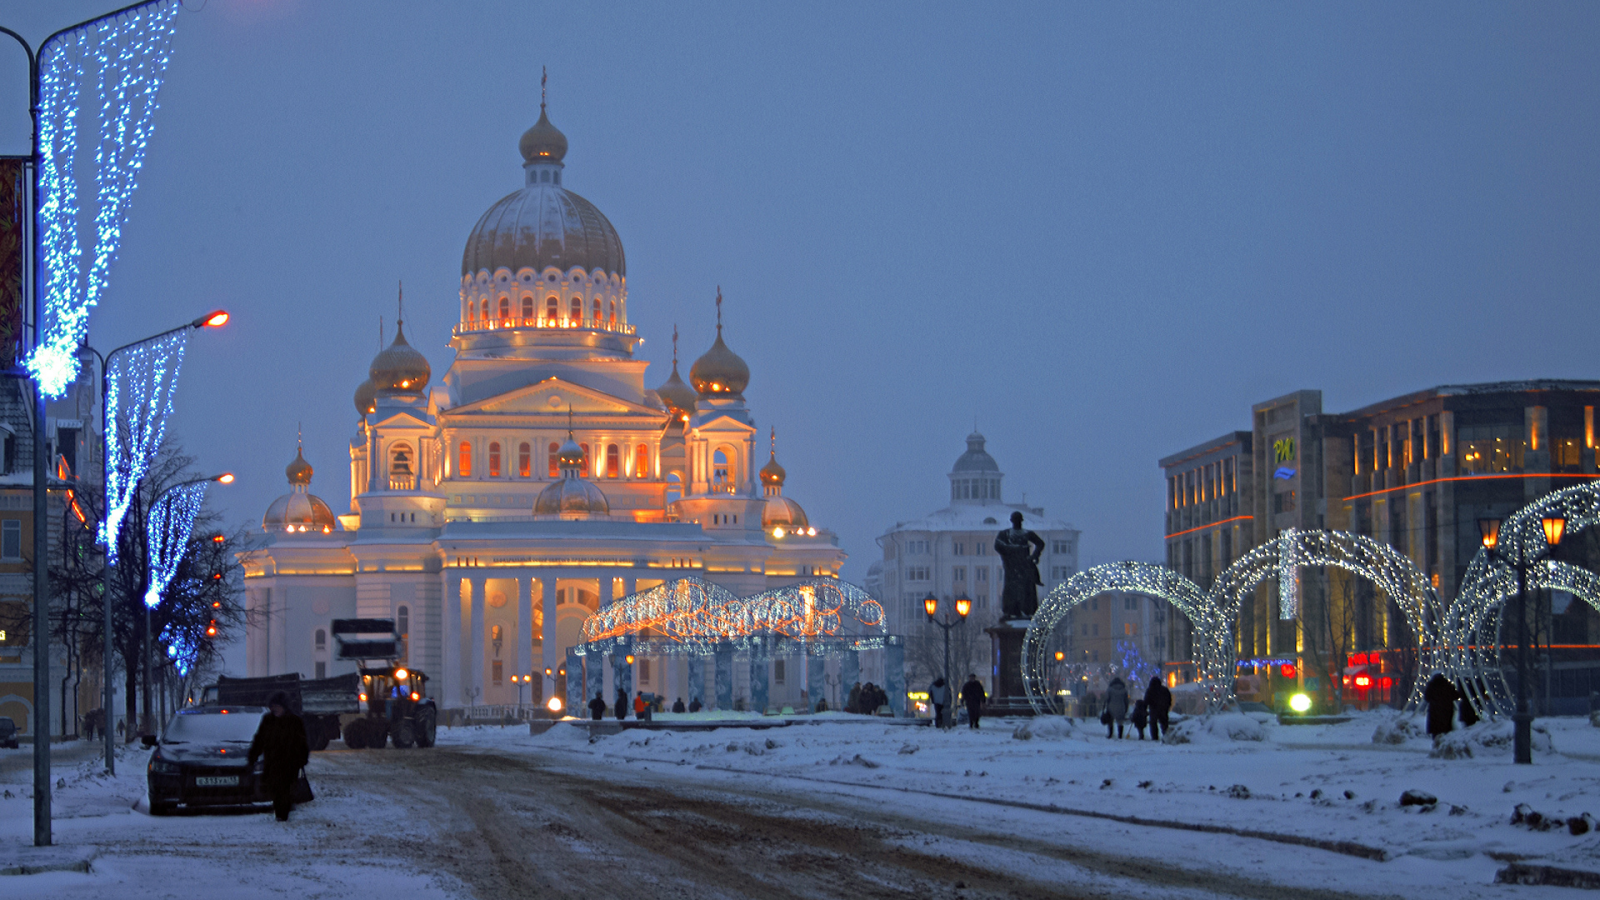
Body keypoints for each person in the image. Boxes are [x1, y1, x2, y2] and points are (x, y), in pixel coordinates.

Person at [248, 691, 309, 822]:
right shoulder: (268, 720)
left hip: (289, 762)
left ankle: (283, 814)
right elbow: (260, 739)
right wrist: (253, 755)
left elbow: (302, 742)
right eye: (272, 706)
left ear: (284, 706)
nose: (274, 709)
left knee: (285, 788)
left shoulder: (294, 721)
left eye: (277, 706)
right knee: (275, 787)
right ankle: (280, 812)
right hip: (272, 761)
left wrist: (302, 759)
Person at [994, 511, 1046, 619]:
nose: (1016, 522)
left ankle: (1027, 611)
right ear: (1012, 521)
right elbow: (998, 545)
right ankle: (1010, 611)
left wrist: (1034, 556)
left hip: (1024, 566)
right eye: (1015, 520)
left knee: (1026, 589)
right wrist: (1013, 549)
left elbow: (1040, 543)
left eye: (1018, 520)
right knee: (1010, 589)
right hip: (1011, 567)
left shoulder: (1027, 533)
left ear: (1021, 521)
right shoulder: (1005, 534)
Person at [1423, 673, 1459, 743]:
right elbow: (1456, 696)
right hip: (1447, 710)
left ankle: (1436, 744)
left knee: (1436, 730)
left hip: (1434, 710)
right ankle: (1445, 743)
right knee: (1446, 728)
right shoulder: (1448, 685)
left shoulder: (1431, 685)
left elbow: (1427, 697)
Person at [1144, 676, 1173, 742]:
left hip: (1154, 709)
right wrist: (1167, 707)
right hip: (1163, 709)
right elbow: (1169, 699)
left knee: (1153, 723)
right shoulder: (1164, 689)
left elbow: (1146, 700)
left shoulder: (1150, 690)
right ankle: (1166, 736)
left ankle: (1155, 737)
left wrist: (1145, 708)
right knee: (1164, 723)